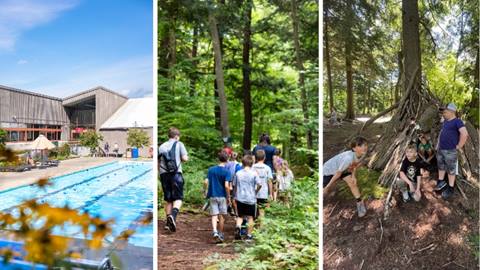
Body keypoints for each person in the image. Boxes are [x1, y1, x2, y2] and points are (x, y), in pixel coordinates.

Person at [323, 136, 368, 217]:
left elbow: (353, 165)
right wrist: (327, 187)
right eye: (360, 146)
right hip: (328, 171)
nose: (364, 147)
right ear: (354, 148)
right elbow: (338, 173)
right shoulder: (348, 158)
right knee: (324, 190)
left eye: (365, 145)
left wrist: (354, 176)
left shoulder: (360, 155)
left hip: (343, 169)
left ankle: (360, 204)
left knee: (352, 183)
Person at [434, 103, 468, 199]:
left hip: (450, 150)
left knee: (451, 170)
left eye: (445, 112)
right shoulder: (445, 121)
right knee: (441, 166)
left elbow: (464, 134)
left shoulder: (457, 121)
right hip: (441, 149)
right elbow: (442, 131)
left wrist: (459, 146)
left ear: (452, 112)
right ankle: (441, 182)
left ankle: (450, 188)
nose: (443, 114)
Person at [159, 127, 189, 232]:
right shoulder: (179, 144)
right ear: (176, 136)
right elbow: (185, 158)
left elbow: (159, 162)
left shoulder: (161, 146)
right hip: (176, 174)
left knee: (168, 199)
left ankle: (168, 223)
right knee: (178, 198)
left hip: (164, 175)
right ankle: (173, 216)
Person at [204, 150, 231, 243]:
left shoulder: (211, 169)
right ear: (227, 159)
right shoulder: (227, 172)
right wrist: (228, 197)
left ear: (218, 159)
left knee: (214, 215)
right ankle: (220, 233)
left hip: (212, 195)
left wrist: (205, 191)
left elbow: (206, 182)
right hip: (222, 196)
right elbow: (227, 185)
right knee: (222, 216)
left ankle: (214, 231)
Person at [233, 155, 261, 241]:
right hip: (250, 198)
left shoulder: (238, 173)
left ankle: (238, 227)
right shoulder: (254, 173)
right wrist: (255, 191)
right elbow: (260, 184)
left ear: (242, 163)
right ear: (251, 163)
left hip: (240, 197)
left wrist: (235, 195)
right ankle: (249, 236)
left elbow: (234, 185)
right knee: (250, 217)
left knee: (240, 216)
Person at [252, 149, 273, 219]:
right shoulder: (267, 168)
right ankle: (261, 229)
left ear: (255, 157)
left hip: (252, 193)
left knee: (253, 214)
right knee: (262, 212)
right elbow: (270, 181)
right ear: (264, 157)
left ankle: (254, 229)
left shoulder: (252, 167)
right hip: (264, 193)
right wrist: (270, 194)